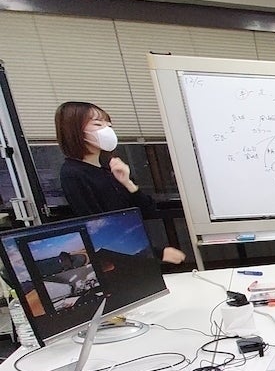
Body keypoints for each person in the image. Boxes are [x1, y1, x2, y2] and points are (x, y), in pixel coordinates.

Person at [55, 101, 186, 265]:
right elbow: (100, 230)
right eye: (98, 124)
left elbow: (148, 211)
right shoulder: (73, 174)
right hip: (124, 258)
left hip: (138, 251)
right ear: (74, 131)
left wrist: (128, 183)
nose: (107, 129)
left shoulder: (109, 167)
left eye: (108, 124)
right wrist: (157, 253)